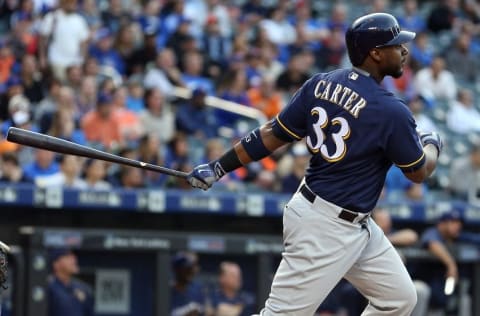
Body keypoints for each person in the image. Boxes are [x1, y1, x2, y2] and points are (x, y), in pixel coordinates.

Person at [187, 12, 443, 316]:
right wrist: (432, 145)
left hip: (350, 222)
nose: (404, 50)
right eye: (395, 44)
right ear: (375, 53)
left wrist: (219, 167)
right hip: (324, 227)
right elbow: (419, 172)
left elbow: (270, 135)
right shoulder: (391, 110)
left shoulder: (321, 83)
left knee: (399, 299)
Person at [47, 247, 94, 316]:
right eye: (67, 256)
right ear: (56, 264)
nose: (73, 259)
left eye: (73, 256)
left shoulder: (83, 288)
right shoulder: (49, 288)